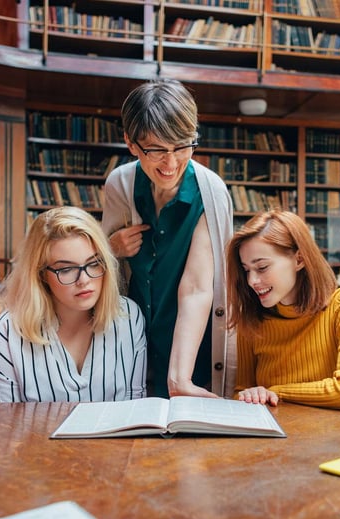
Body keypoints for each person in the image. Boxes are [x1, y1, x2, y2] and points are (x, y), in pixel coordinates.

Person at [101, 78, 235, 399]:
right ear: (132, 144)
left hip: (191, 347)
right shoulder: (120, 184)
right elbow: (99, 269)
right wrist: (111, 248)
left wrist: (180, 378)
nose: (171, 163)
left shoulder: (210, 192)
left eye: (182, 146)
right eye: (157, 150)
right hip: (130, 344)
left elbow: (197, 288)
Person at [0, 206, 146, 402]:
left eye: (93, 263)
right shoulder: (6, 333)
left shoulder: (129, 317)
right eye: (66, 269)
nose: (84, 280)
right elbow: (2, 426)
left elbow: (135, 414)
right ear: (41, 275)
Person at [226, 209, 340, 408]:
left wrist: (276, 390)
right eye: (246, 270)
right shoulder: (251, 318)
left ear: (299, 260)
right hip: (271, 434)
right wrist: (249, 394)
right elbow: (241, 393)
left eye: (262, 267)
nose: (252, 281)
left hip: (328, 436)